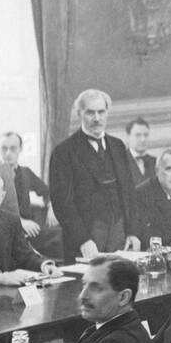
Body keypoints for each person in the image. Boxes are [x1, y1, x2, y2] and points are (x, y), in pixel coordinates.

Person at [49, 89, 141, 259]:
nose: (97, 118)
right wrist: (83, 240)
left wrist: (132, 232)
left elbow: (129, 192)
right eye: (90, 112)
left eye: (101, 112)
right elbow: (62, 204)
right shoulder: (63, 152)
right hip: (86, 242)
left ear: (107, 113)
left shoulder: (118, 146)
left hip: (119, 236)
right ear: (79, 114)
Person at [0, 131, 60, 257]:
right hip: (5, 231)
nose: (8, 153)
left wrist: (51, 207)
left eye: (13, 148)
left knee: (62, 234)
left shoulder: (25, 173)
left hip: (29, 228)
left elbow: (47, 191)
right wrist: (20, 222)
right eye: (4, 149)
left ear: (20, 149)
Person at [125, 117, 155, 184]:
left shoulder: (156, 162)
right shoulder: (118, 162)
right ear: (128, 137)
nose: (143, 139)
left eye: (146, 135)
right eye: (138, 135)